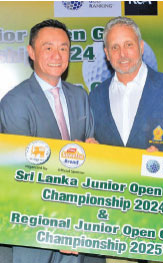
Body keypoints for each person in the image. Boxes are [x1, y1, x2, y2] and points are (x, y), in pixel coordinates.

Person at [0, 19, 104, 263]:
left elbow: (89, 154)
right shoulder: (14, 102)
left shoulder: (80, 96)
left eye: (64, 48)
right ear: (31, 52)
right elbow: (23, 174)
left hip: (79, 225)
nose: (57, 55)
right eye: (48, 48)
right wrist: (60, 226)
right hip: (35, 231)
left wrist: (94, 152)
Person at [89, 16, 163, 156]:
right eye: (115, 47)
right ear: (107, 54)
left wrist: (161, 157)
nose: (122, 54)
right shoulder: (95, 97)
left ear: (141, 47)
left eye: (128, 45)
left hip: (158, 178)